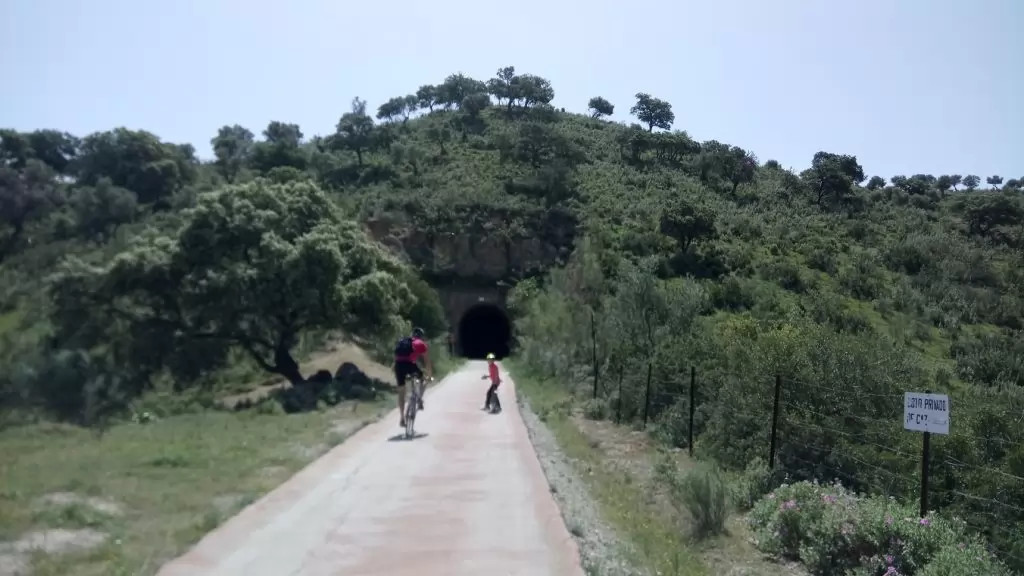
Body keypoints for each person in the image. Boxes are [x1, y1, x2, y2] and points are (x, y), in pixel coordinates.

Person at [394, 327, 433, 427]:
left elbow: (397, 356)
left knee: (401, 391)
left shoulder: (404, 341)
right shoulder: (421, 344)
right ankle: (419, 398)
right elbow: (427, 362)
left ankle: (402, 418)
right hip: (409, 364)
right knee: (422, 378)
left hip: (398, 365)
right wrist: (429, 375)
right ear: (421, 336)